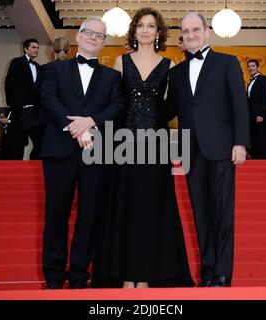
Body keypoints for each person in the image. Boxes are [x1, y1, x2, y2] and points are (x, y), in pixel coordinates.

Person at [92, 7, 194, 289]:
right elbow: (112, 105)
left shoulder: (169, 65)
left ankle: (146, 277)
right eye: (141, 26)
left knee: (152, 210)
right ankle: (127, 276)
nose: (146, 30)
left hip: (156, 146)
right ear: (134, 31)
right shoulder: (120, 62)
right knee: (125, 209)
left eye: (151, 26)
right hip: (123, 145)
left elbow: (173, 107)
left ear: (158, 32)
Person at [40, 16, 125, 289]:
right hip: (59, 151)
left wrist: (90, 122)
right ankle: (53, 276)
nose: (93, 38)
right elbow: (48, 99)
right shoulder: (55, 69)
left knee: (90, 216)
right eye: (89, 33)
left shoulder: (113, 77)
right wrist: (74, 126)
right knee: (56, 215)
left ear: (103, 43)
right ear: (78, 36)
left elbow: (117, 107)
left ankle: (79, 275)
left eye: (100, 35)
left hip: (96, 153)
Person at [166, 12, 250, 287]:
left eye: (195, 30)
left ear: (207, 32)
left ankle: (223, 274)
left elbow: (240, 105)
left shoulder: (226, 63)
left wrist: (241, 143)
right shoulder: (176, 72)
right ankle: (208, 272)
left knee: (222, 212)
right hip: (191, 150)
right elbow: (167, 111)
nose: (190, 35)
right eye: (185, 31)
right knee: (200, 213)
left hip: (223, 147)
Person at [33, 37, 71, 160]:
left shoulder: (44, 68)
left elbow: (38, 94)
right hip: (71, 119)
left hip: (47, 119)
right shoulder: (76, 70)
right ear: (69, 50)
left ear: (51, 50)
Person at [2, 38, 41, 160]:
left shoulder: (39, 67)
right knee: (17, 143)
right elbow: (8, 83)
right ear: (25, 49)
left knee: (40, 142)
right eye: (33, 47)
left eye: (37, 48)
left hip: (35, 112)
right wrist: (12, 106)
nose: (36, 50)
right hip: (20, 110)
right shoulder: (17, 62)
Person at [246, 59, 266, 159]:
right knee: (253, 138)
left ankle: (263, 162)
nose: (250, 68)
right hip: (251, 116)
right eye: (249, 66)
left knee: (261, 139)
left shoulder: (263, 79)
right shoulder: (250, 82)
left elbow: (265, 97)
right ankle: (255, 159)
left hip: (259, 115)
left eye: (253, 66)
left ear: (258, 67)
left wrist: (261, 114)